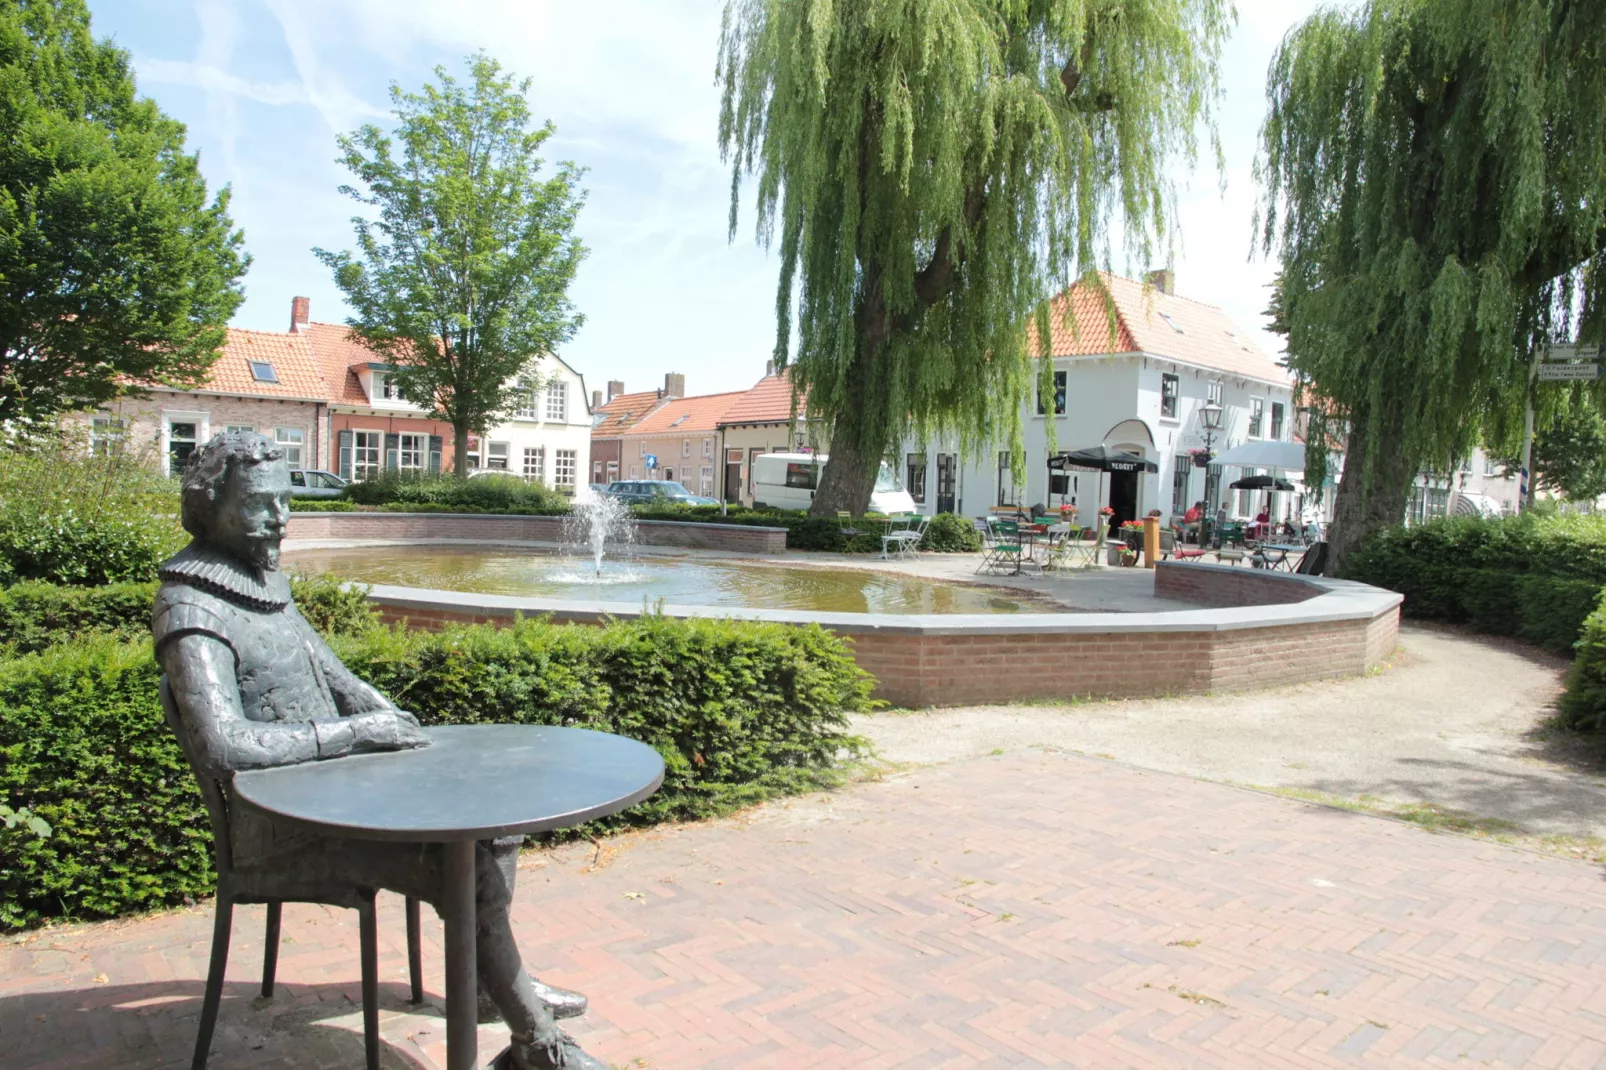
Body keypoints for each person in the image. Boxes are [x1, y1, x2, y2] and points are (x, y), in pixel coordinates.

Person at [153, 432, 600, 1070]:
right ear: (207, 506)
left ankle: (487, 982)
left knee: (493, 832)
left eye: (285, 501)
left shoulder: (261, 580)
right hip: (282, 825)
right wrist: (358, 735)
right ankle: (537, 1044)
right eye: (259, 504)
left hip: (332, 788)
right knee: (461, 860)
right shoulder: (191, 606)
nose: (280, 519)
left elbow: (334, 675)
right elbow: (223, 743)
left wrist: (376, 708)